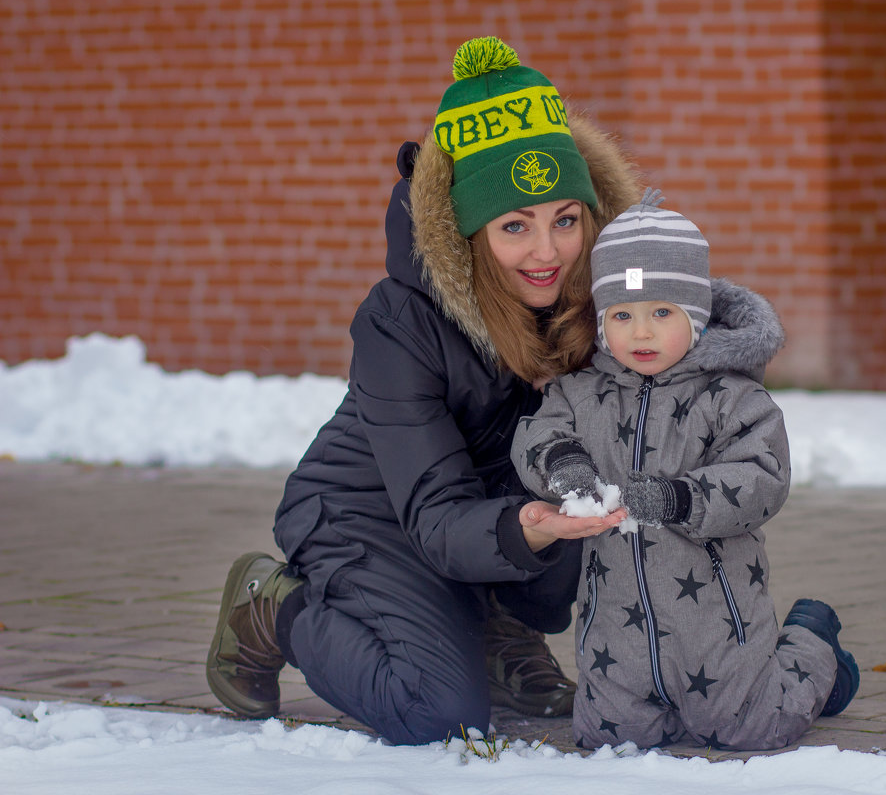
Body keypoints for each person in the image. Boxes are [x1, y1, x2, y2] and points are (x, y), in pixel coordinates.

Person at [205, 36, 642, 745]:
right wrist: (528, 527)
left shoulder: (598, 306)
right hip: (370, 514)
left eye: (567, 219)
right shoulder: (399, 320)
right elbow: (436, 516)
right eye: (514, 226)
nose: (548, 252)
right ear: (469, 233)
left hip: (487, 513)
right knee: (435, 711)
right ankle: (271, 605)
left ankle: (496, 630)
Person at [510, 193, 860, 750]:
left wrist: (680, 498)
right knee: (605, 738)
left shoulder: (730, 396)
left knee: (752, 729)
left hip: (714, 626)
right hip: (614, 633)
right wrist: (563, 465)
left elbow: (763, 475)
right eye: (622, 316)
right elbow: (536, 434)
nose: (640, 333)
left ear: (695, 315)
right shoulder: (580, 394)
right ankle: (660, 705)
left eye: (662, 313)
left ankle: (812, 645)